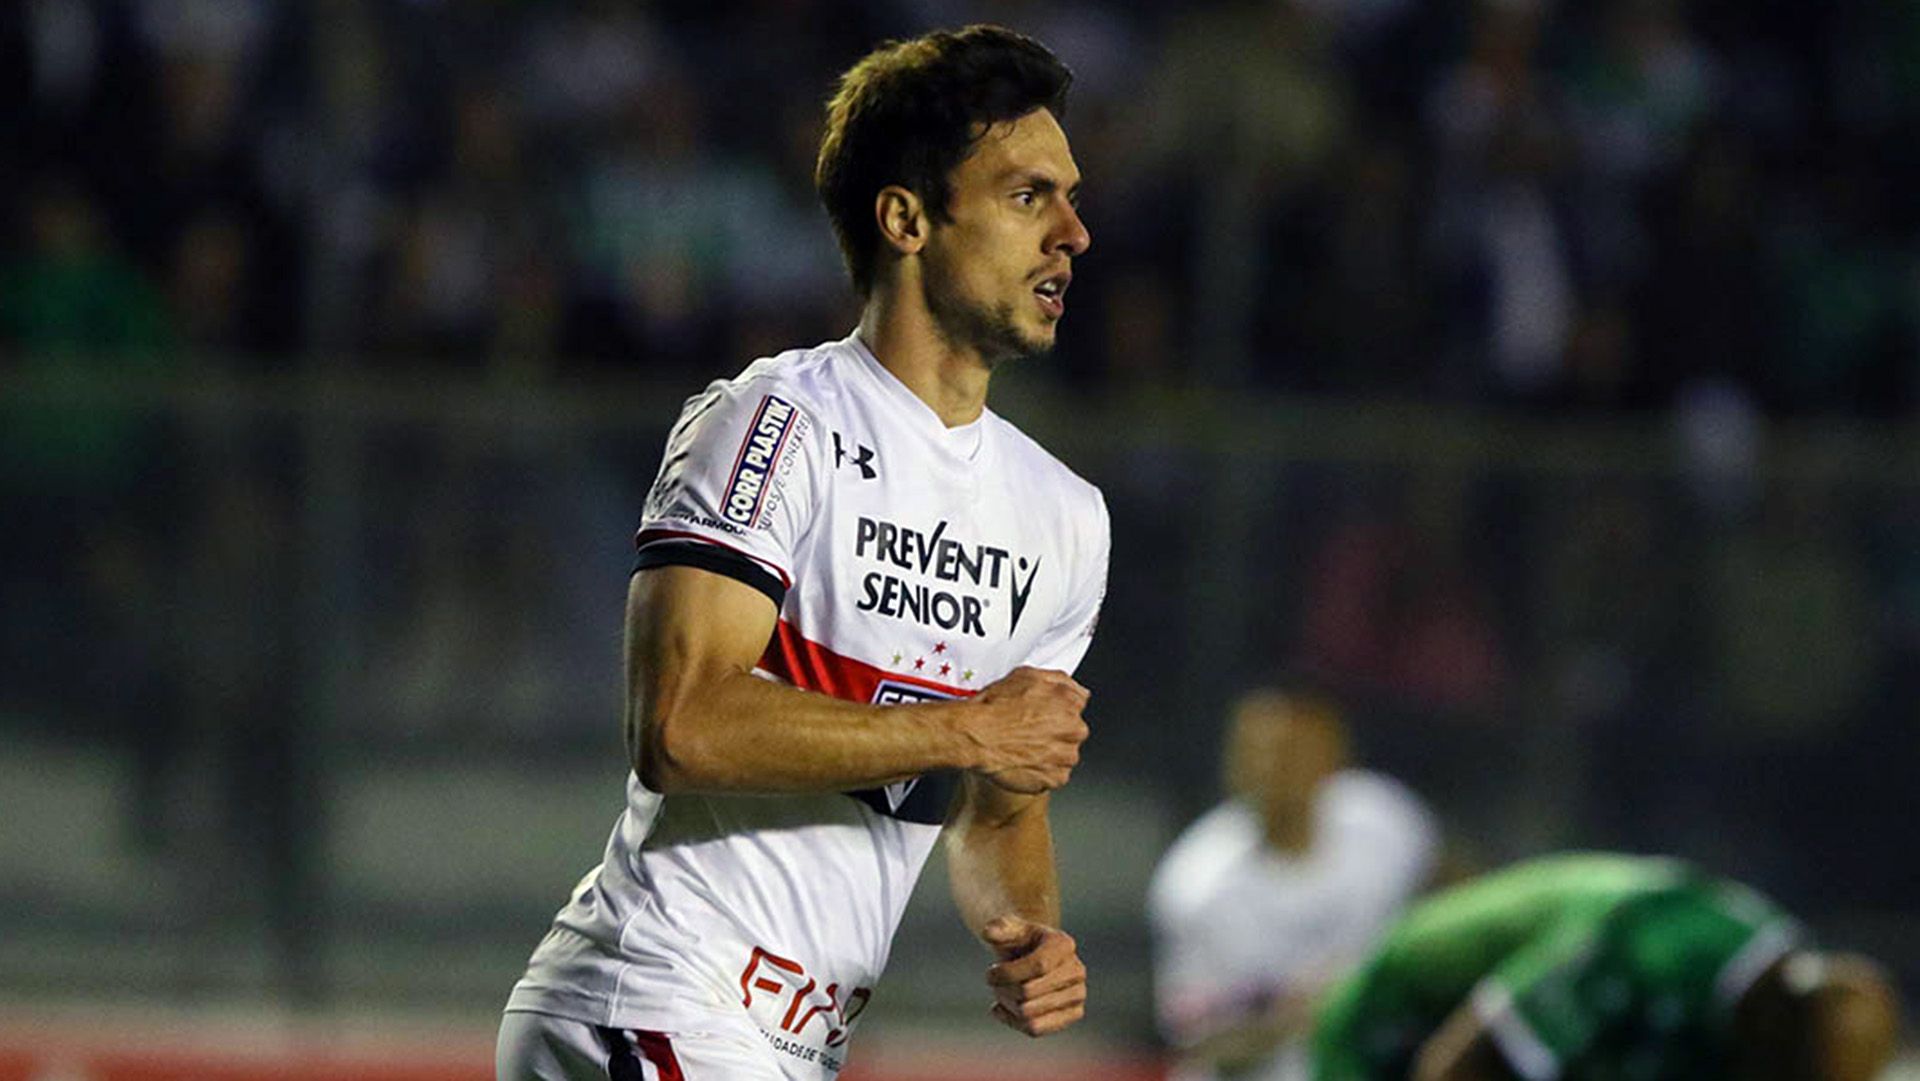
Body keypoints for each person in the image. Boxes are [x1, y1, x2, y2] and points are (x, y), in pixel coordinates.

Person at [496, 25, 1107, 1081]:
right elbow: (680, 725)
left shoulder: (1064, 516)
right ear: (907, 217)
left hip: (786, 1044)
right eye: (1028, 196)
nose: (1074, 233)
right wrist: (964, 727)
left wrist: (1030, 933)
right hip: (656, 998)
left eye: (1069, 196)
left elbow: (999, 803)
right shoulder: (775, 423)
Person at [1310, 852, 1903, 1081]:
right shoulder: (1652, 949)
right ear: (1779, 1032)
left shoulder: (1767, 992)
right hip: (1388, 1028)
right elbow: (1457, 1067)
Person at [1149, 686, 1442, 1081]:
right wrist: (1315, 1006)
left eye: (1294, 752)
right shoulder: (1197, 885)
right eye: (1259, 752)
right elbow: (1201, 1044)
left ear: (1334, 755)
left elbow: (1452, 884)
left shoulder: (1382, 820)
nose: (1275, 769)